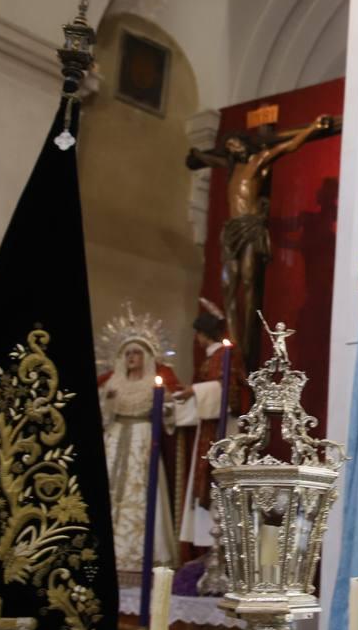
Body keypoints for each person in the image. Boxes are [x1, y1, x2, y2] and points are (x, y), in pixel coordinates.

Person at [186, 115, 339, 365]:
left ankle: (247, 345)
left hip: (250, 226)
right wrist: (197, 156)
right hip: (232, 229)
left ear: (246, 145)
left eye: (236, 143)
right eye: (229, 146)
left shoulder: (258, 162)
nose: (232, 148)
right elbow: (206, 158)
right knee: (228, 287)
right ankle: (235, 345)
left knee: (248, 280)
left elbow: (286, 146)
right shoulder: (230, 167)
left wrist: (311, 128)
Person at [97, 304, 181, 583]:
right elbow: (103, 415)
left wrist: (167, 408)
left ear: (146, 357)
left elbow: (171, 412)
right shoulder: (112, 384)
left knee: (141, 494)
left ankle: (137, 557)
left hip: (143, 440)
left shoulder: (153, 385)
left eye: (137, 353)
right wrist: (107, 404)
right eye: (128, 353)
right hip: (115, 437)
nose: (132, 357)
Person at [173, 300, 232, 557]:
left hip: (222, 431)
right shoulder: (212, 358)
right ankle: (209, 550)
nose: (196, 339)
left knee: (216, 482)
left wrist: (193, 391)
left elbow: (228, 391)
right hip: (207, 427)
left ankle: (219, 547)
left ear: (205, 333)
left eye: (197, 333)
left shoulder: (224, 356)